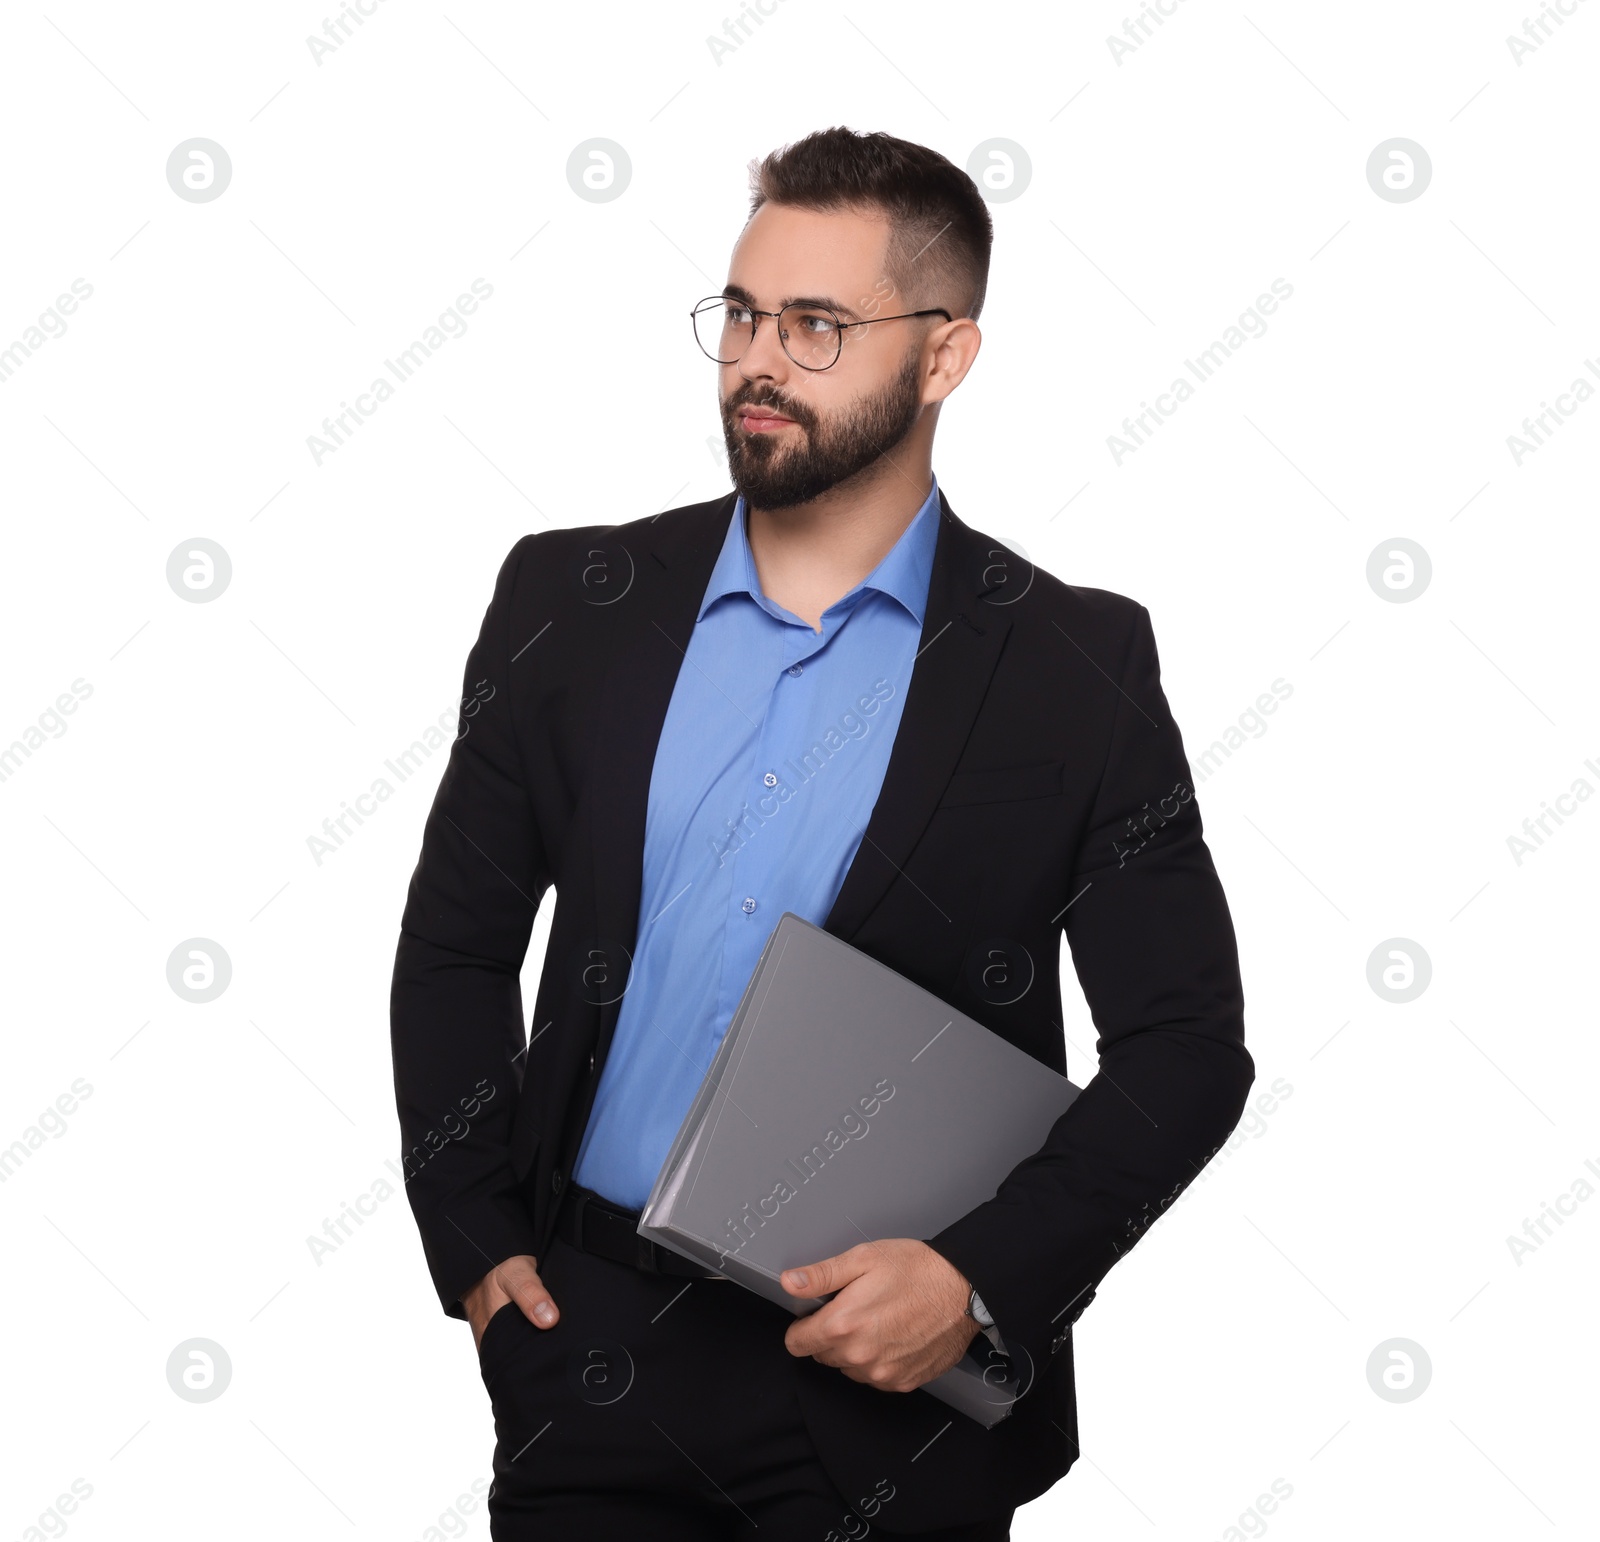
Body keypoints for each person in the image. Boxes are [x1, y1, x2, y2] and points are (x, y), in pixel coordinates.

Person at [390, 125, 1254, 1540]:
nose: (757, 360)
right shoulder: (572, 602)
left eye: (816, 324)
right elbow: (455, 950)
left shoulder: (1074, 666)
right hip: (587, 1350)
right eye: (740, 314)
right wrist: (478, 1244)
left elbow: (1186, 1045)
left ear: (945, 356)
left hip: (894, 1400)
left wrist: (979, 1281)